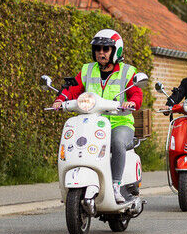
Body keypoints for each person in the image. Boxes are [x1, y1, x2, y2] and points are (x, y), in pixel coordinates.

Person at [53, 29, 142, 203]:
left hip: (119, 122)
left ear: (116, 51)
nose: (101, 52)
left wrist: (131, 103)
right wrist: (60, 100)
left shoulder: (128, 71)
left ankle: (116, 186)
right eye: (98, 48)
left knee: (117, 142)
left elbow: (136, 93)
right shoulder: (87, 69)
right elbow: (73, 88)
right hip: (92, 123)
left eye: (106, 49)